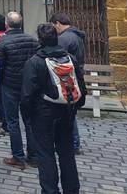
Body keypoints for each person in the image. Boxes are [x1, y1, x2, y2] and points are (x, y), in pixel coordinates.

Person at [21, 23, 86, 194]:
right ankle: (72, 189)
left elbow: (27, 95)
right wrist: (75, 107)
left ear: (40, 40)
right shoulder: (71, 58)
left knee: (46, 154)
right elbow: (81, 86)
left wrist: (27, 116)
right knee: (66, 153)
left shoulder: (34, 62)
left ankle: (50, 190)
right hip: (66, 111)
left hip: (42, 114)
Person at [0, 11, 39, 170]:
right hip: (28, 86)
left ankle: (18, 156)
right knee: (30, 121)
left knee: (13, 121)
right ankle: (33, 156)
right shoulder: (32, 40)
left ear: (7, 24)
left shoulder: (3, 42)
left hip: (10, 85)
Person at [50, 13, 86, 154]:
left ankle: (72, 143)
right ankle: (74, 143)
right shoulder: (76, 35)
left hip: (67, 78)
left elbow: (58, 57)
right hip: (75, 75)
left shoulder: (64, 38)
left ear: (58, 23)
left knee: (66, 112)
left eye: (54, 26)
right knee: (69, 112)